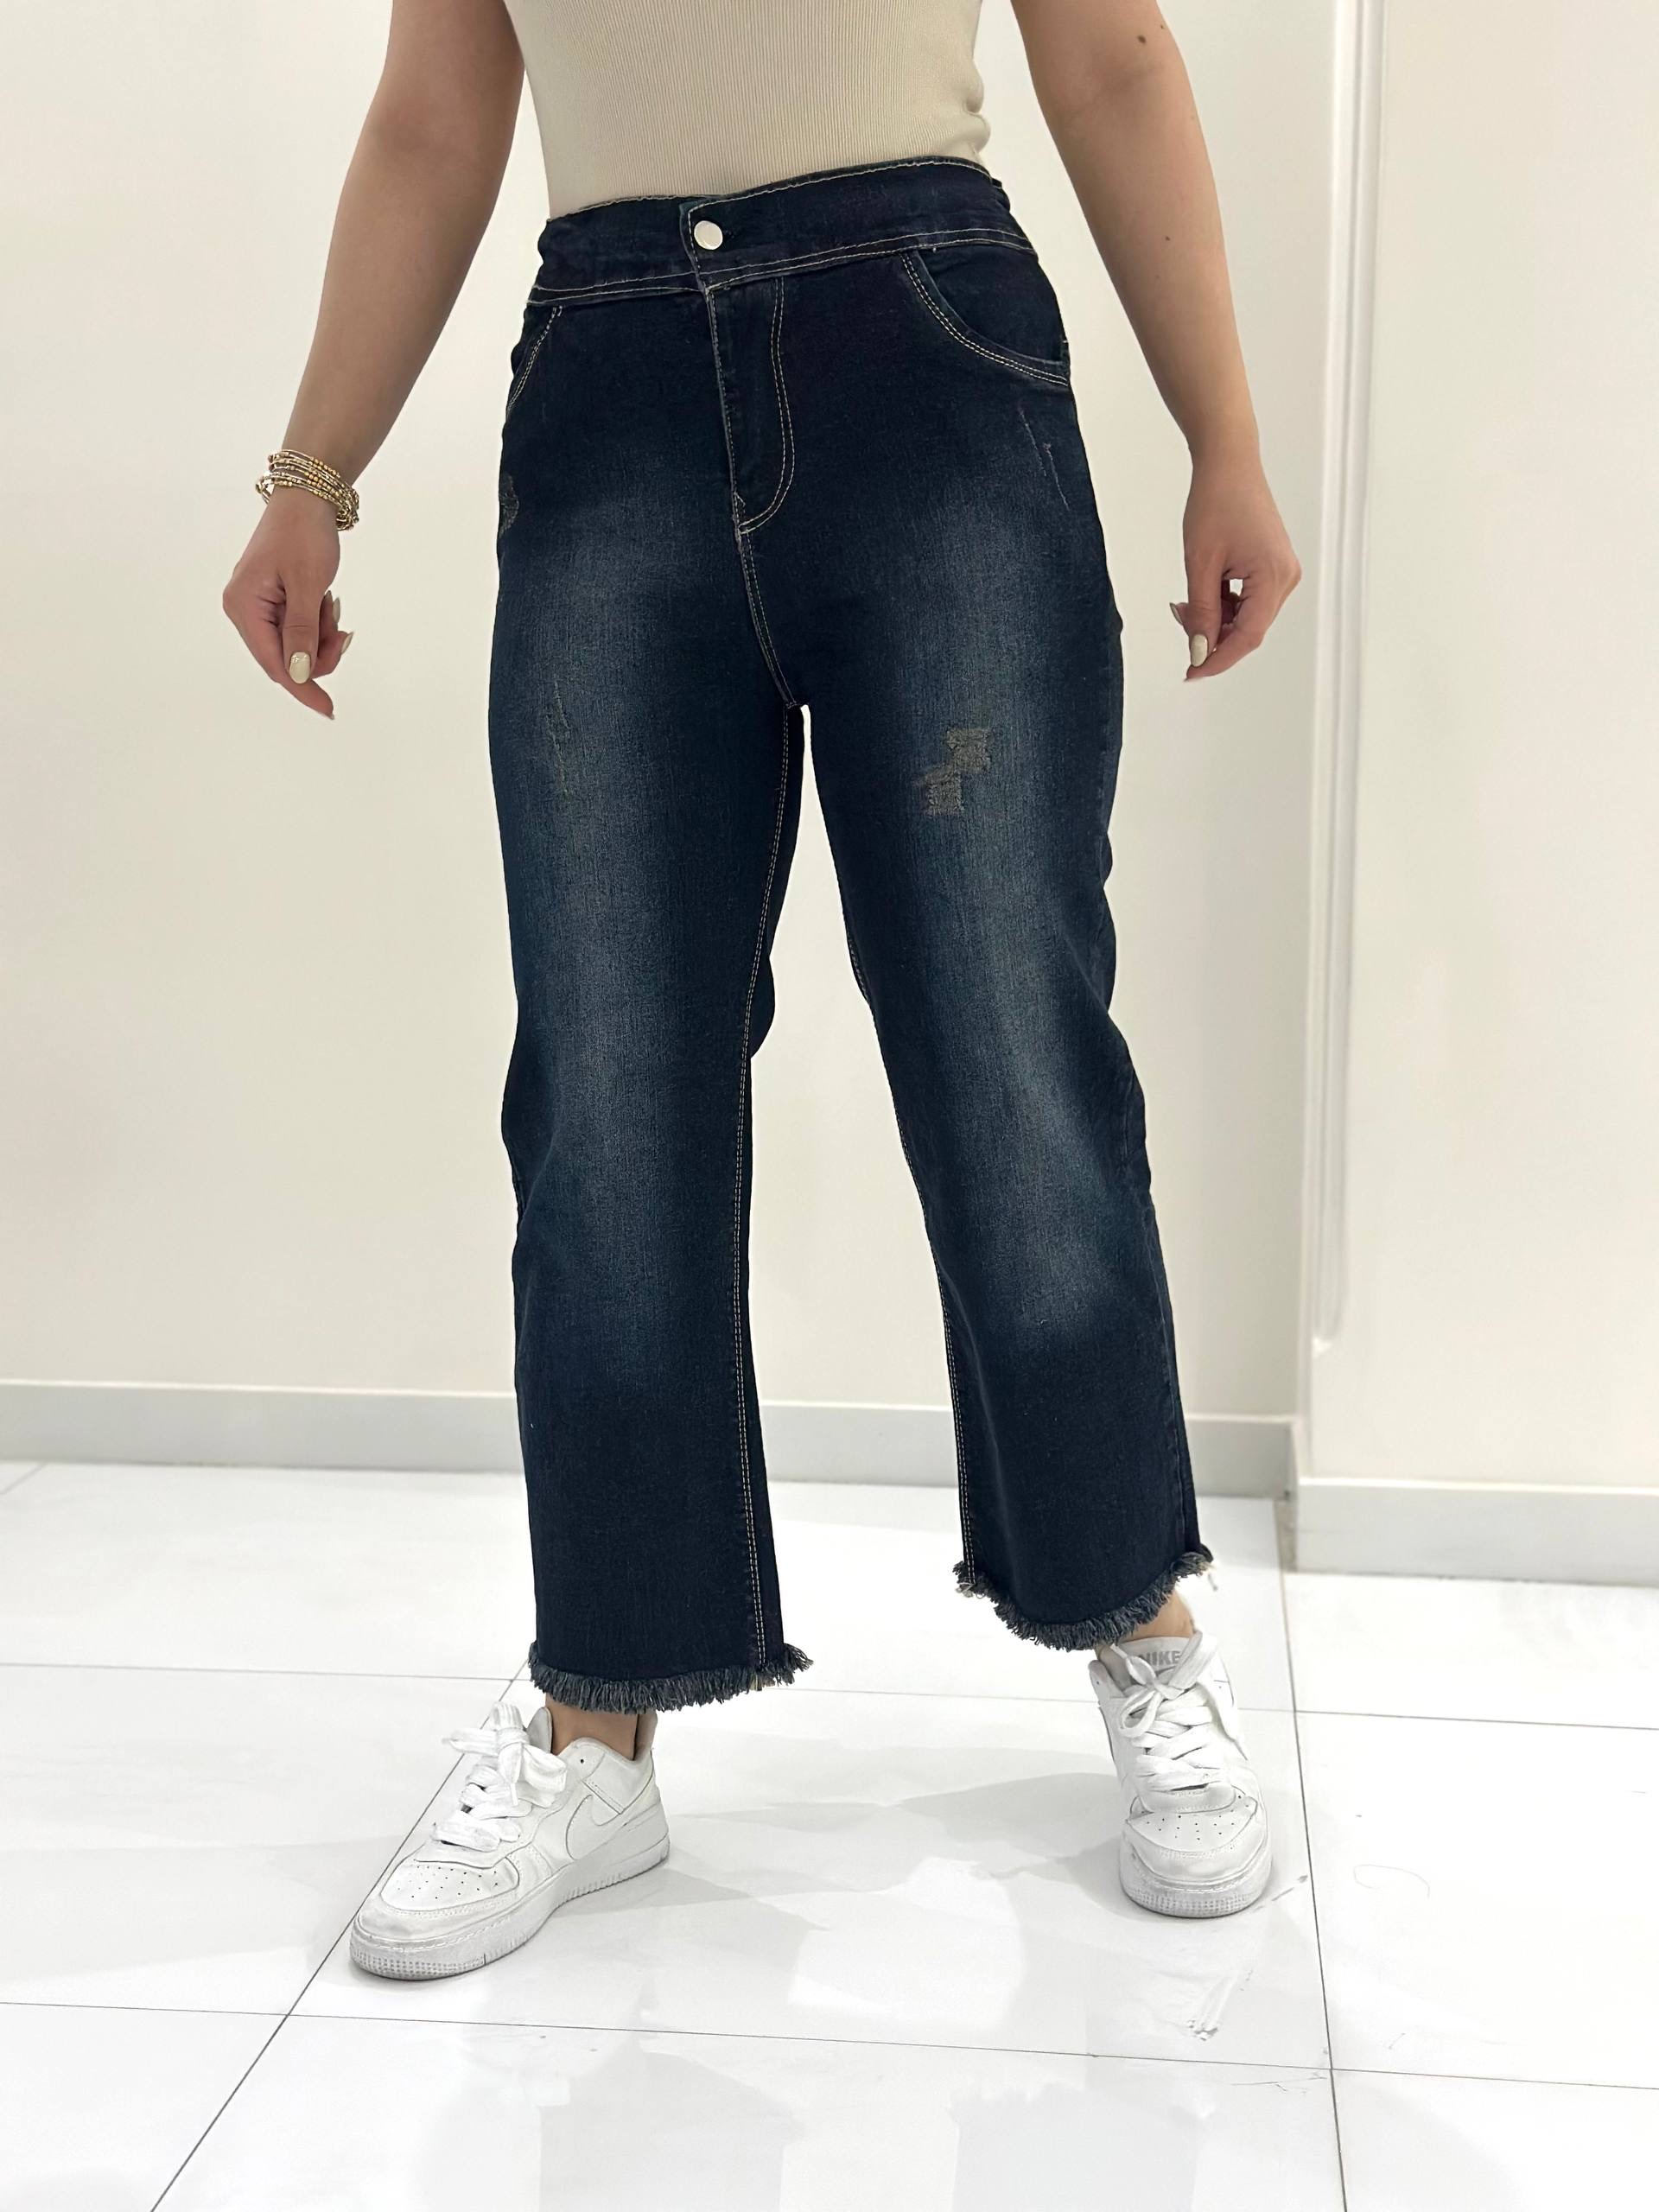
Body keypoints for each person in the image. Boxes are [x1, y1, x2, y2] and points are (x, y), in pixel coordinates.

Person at [222, 0, 1301, 1980]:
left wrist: (1224, 437)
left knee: (1009, 1036)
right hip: (611, 385)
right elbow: (434, 120)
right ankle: (600, 1718)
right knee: (608, 1075)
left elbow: (1113, 60)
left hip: (932, 361)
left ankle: (1141, 1621)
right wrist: (315, 472)